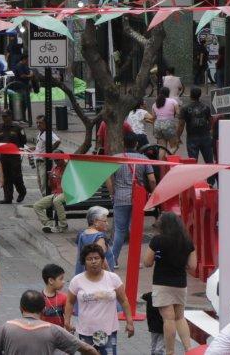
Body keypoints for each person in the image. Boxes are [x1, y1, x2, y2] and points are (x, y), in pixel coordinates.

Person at [142, 212, 197, 354]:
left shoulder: (157, 240)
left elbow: (147, 262)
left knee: (168, 319)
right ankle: (189, 349)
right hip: (180, 283)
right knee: (179, 317)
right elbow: (192, 266)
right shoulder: (187, 241)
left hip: (162, 283)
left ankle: (170, 352)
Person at [64, 245, 134, 355]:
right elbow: (69, 302)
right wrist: (67, 321)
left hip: (108, 331)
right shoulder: (77, 281)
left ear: (102, 260)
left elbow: (124, 301)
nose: (93, 262)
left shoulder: (113, 278)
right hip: (86, 331)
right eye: (89, 259)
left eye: (96, 258)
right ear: (84, 262)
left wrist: (129, 322)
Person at [0, 290, 98, 355]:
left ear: (21, 308)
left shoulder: (7, 327)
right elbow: (88, 349)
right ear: (43, 309)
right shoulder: (53, 330)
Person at [106, 133, 156, 267]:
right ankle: (135, 260)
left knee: (120, 230)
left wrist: (113, 194)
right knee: (135, 229)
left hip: (120, 198)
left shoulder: (115, 159)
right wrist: (153, 194)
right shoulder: (144, 159)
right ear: (136, 144)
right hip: (138, 198)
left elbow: (108, 180)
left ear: (123, 143)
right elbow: (151, 179)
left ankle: (113, 259)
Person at [179, 87, 216, 166]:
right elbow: (211, 120)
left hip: (192, 137)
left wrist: (178, 136)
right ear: (200, 95)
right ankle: (211, 178)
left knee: (193, 162)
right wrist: (210, 131)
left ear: (190, 95)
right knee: (209, 161)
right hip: (205, 136)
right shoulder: (206, 107)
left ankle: (194, 178)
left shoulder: (184, 108)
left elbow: (181, 124)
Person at [0, 113, 28, 203]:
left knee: (16, 176)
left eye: (6, 116)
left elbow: (23, 140)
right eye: (3, 116)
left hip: (14, 157)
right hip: (3, 156)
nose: (4, 118)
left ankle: (22, 191)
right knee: (6, 177)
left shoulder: (18, 128)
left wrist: (17, 148)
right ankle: (8, 197)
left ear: (11, 117)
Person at [75, 206, 114, 274]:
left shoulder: (82, 234)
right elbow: (103, 263)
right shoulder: (99, 237)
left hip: (84, 275)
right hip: (97, 278)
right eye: (105, 221)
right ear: (95, 221)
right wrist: (111, 277)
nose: (107, 224)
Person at [152, 86, 181, 153]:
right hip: (169, 124)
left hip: (157, 125)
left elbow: (153, 117)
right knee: (174, 146)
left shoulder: (155, 104)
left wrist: (153, 129)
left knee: (162, 148)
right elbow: (178, 113)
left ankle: (162, 163)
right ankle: (169, 159)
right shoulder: (173, 101)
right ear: (168, 93)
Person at [40, 263, 68, 327]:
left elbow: (67, 316)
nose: (63, 281)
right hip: (43, 333)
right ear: (51, 281)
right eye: (61, 279)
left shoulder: (64, 298)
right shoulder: (39, 298)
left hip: (59, 333)